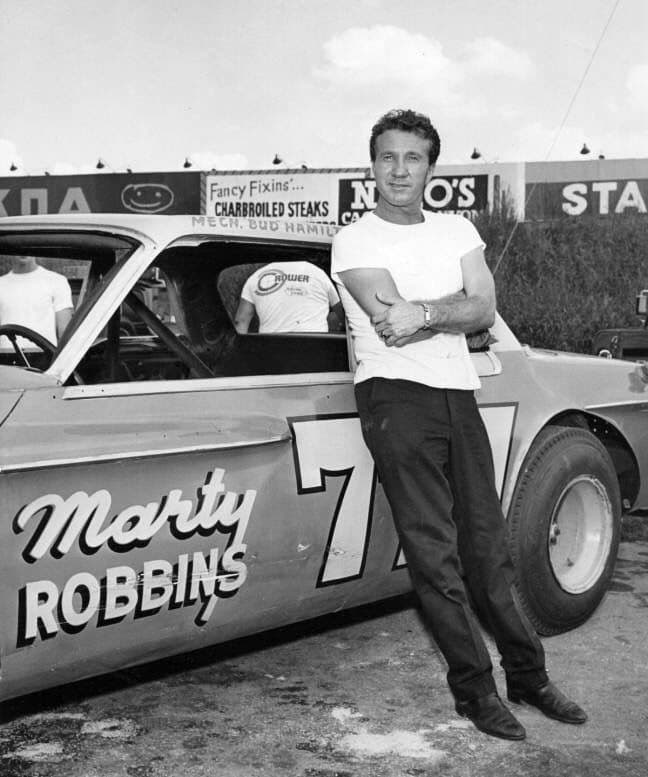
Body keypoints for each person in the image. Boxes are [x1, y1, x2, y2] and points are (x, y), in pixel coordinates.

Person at [330, 108, 587, 741]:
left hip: (458, 394)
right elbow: (389, 319)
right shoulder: (356, 239)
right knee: (435, 557)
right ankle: (474, 691)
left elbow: (484, 309)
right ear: (371, 166)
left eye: (412, 158)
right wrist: (448, 310)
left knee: (488, 549)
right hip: (394, 397)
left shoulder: (456, 229)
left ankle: (528, 676)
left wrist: (424, 312)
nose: (399, 170)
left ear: (431, 169)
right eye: (388, 157)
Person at [234, 260, 344, 333]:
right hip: (314, 348)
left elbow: (241, 321)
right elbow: (344, 315)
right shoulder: (318, 274)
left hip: (270, 349)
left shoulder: (257, 277)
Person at [0, 256, 73, 349]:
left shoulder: (57, 281)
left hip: (46, 355)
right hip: (5, 356)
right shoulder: (1, 284)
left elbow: (65, 334)